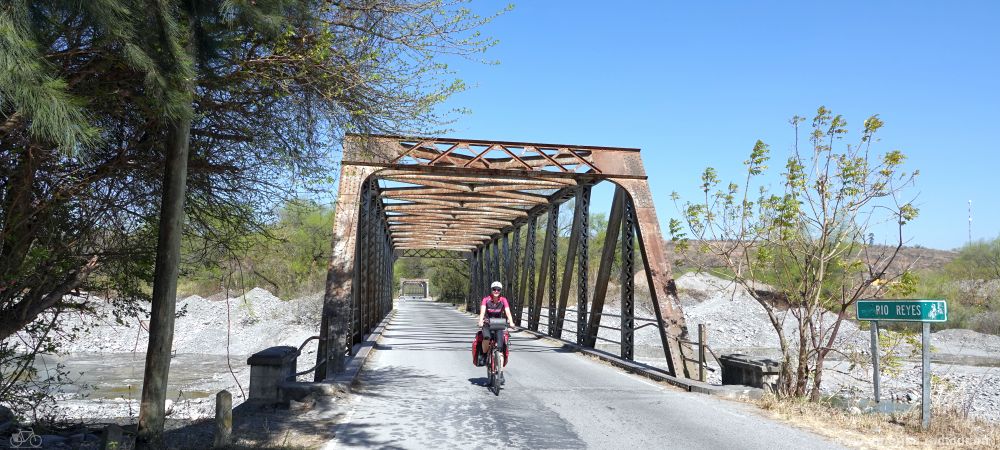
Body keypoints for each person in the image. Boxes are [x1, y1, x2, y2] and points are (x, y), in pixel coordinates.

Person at [477, 281, 514, 381]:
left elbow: (508, 312)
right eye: (494, 289)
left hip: (499, 324)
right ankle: (484, 355)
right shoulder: (486, 299)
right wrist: (480, 321)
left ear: (500, 291)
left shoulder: (503, 300)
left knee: (500, 349)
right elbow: (482, 311)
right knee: (486, 337)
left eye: (498, 289)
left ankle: (501, 373)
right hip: (487, 324)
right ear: (491, 290)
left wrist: (511, 322)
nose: (496, 291)